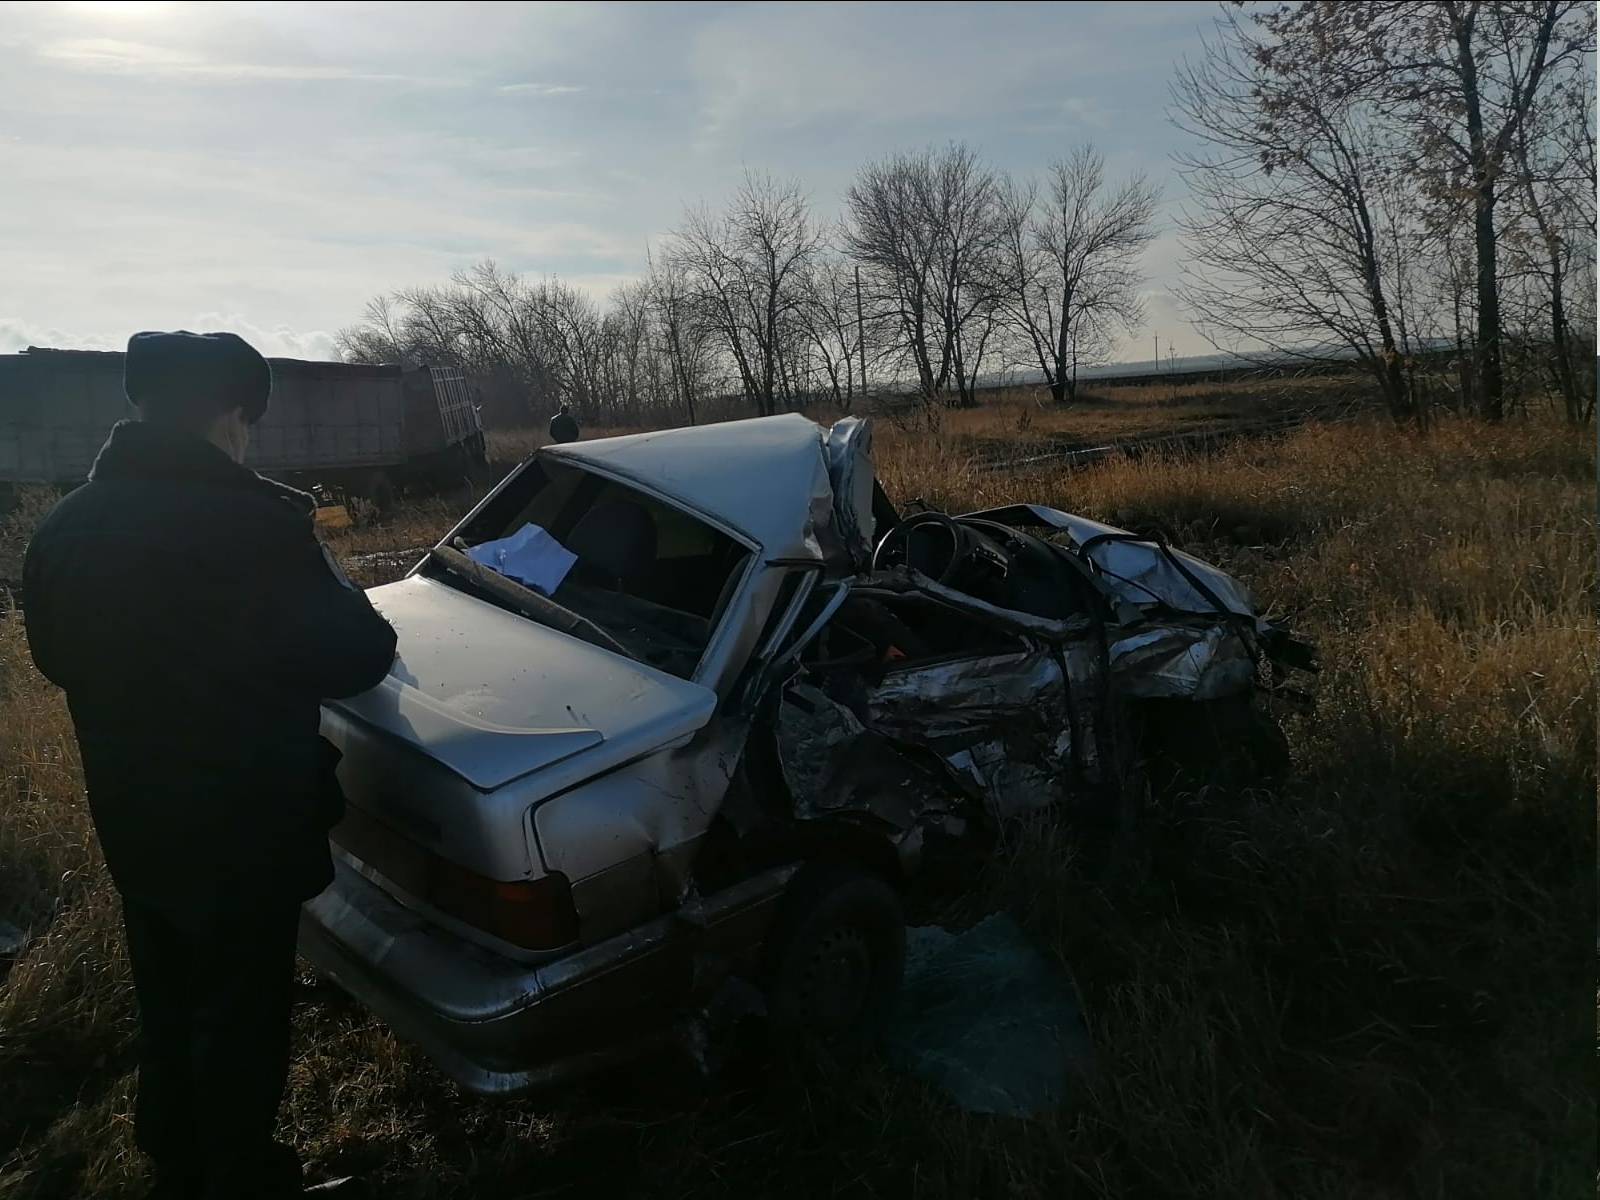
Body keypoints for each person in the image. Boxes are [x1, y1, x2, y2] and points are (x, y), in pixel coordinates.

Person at [22, 331, 398, 1199]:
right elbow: (357, 657)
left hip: (134, 815)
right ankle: (240, 1180)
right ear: (231, 413)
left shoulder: (66, 524)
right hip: (242, 824)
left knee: (169, 991)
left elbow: (53, 656)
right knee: (238, 1011)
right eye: (247, 421)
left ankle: (175, 1156)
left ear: (140, 405)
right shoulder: (251, 528)